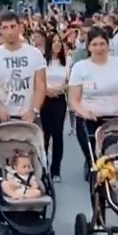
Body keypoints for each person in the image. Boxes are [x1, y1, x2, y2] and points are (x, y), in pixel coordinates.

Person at [68, 29, 118, 169]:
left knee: (113, 157)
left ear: (108, 45)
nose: (99, 48)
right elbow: (74, 98)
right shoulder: (80, 67)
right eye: (94, 44)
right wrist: (84, 112)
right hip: (88, 119)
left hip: (113, 118)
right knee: (94, 160)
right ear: (89, 47)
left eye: (102, 44)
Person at [0, 11, 46, 124]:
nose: (10, 32)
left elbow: (41, 86)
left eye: (13, 27)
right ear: (0, 30)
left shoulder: (35, 54)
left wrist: (34, 110)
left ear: (20, 27)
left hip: (29, 116)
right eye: (5, 28)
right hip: (2, 117)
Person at [41, 32, 70, 182]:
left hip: (59, 99)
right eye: (54, 42)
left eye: (59, 42)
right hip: (44, 99)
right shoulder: (42, 61)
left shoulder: (67, 62)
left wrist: (61, 90)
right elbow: (38, 80)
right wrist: (46, 90)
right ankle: (43, 167)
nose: (57, 44)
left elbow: (69, 82)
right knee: (45, 133)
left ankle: (56, 169)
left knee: (58, 134)